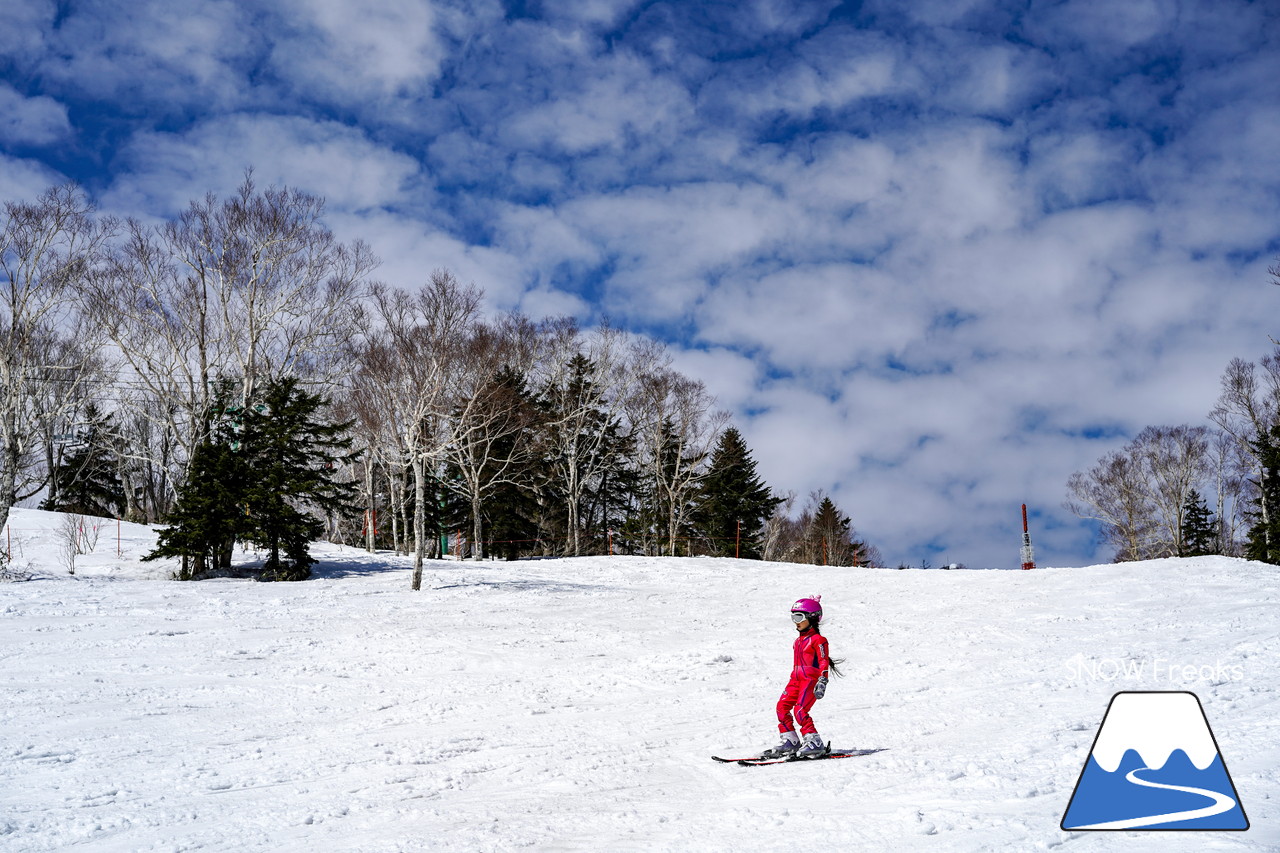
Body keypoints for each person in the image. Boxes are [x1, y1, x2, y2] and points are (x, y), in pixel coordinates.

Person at [761, 595, 844, 759]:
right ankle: (790, 740)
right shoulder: (797, 641)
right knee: (782, 707)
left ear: (812, 618)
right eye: (793, 617)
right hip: (795, 679)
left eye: (799, 617)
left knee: (800, 710)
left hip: (810, 680)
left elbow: (823, 661)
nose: (795, 621)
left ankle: (815, 742)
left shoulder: (819, 640)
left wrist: (823, 680)